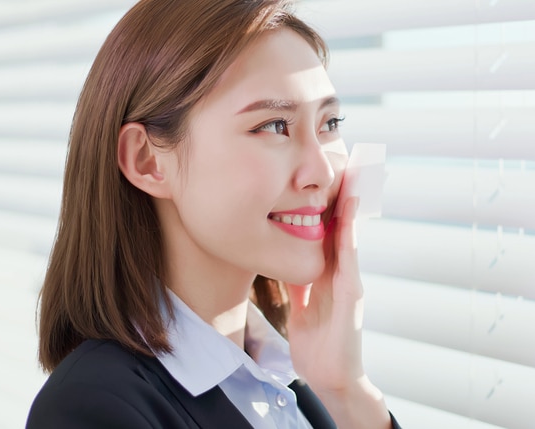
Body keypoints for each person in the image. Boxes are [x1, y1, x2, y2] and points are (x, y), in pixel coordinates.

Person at [26, 0, 400, 427]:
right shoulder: (93, 409)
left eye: (329, 123)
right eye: (274, 125)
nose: (322, 171)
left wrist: (347, 392)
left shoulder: (291, 387)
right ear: (148, 160)